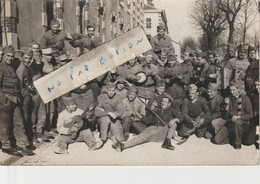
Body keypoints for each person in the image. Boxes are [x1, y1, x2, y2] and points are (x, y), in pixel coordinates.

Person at [112, 95, 184, 152]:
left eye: (165, 102)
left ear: (169, 104)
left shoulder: (172, 110)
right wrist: (139, 116)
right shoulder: (157, 111)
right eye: (162, 101)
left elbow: (181, 117)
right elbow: (148, 121)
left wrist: (174, 119)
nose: (162, 103)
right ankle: (122, 146)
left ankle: (167, 142)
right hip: (153, 128)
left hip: (163, 131)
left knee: (173, 123)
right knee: (141, 137)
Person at [0, 45, 34, 156]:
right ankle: (6, 146)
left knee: (19, 123)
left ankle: (22, 144)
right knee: (5, 124)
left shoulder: (13, 66)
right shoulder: (1, 67)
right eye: (8, 56)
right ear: (3, 55)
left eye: (11, 56)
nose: (10, 58)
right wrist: (3, 100)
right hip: (6, 99)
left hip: (15, 99)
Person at [223, 81, 255, 149]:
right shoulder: (229, 98)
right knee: (217, 140)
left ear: (238, 90)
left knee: (237, 122)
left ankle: (237, 143)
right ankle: (233, 137)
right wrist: (227, 105)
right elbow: (225, 116)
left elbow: (250, 115)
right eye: (230, 90)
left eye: (233, 90)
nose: (231, 92)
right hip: (231, 123)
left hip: (243, 123)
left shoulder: (245, 99)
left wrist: (239, 117)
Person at [94, 82, 125, 148]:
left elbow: (121, 111)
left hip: (114, 118)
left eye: (113, 90)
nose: (111, 92)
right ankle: (103, 139)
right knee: (105, 119)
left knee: (120, 139)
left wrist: (115, 114)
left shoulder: (118, 98)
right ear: (106, 90)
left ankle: (109, 134)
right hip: (104, 118)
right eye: (110, 90)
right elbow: (97, 112)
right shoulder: (101, 97)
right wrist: (107, 113)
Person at [16, 50, 35, 150]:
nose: (27, 60)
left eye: (29, 58)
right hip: (23, 97)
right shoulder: (21, 69)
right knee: (24, 118)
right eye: (26, 58)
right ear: (22, 58)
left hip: (27, 96)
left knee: (27, 118)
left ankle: (28, 141)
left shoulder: (26, 68)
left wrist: (29, 87)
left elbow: (26, 82)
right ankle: (24, 143)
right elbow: (19, 85)